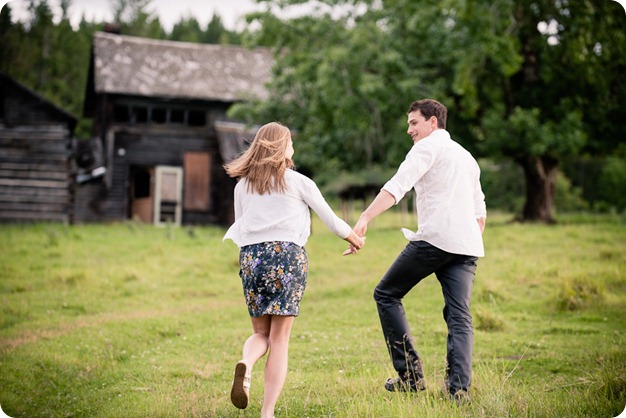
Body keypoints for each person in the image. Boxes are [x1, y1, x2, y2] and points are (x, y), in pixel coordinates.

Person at [223, 121, 365, 418]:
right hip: (287, 257)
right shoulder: (298, 181)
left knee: (261, 333)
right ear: (280, 147)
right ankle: (267, 412)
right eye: (289, 142)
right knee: (280, 339)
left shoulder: (241, 186)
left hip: (252, 259)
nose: (293, 147)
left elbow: (241, 228)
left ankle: (246, 363)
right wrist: (355, 239)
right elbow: (331, 220)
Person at [349, 99, 486, 402]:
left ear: (433, 122)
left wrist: (364, 217)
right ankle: (458, 391)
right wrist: (466, 238)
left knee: (386, 293)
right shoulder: (466, 157)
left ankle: (410, 377)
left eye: (414, 122)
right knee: (460, 316)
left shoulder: (427, 147)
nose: (409, 129)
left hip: (435, 240)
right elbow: (481, 209)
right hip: (467, 246)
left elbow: (397, 186)